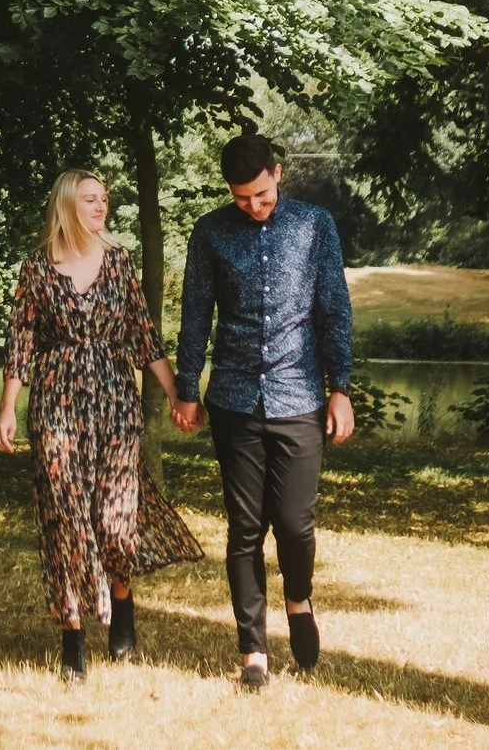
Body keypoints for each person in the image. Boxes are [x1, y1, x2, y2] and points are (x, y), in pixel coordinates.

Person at [0, 168, 202, 680]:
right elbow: (21, 343)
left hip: (115, 404)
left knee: (113, 520)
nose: (101, 206)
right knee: (65, 518)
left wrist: (178, 394)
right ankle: (73, 635)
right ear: (67, 204)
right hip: (56, 406)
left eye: (104, 199)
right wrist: (8, 409)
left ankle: (122, 599)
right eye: (90, 199)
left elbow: (144, 337)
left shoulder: (119, 261)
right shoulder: (37, 268)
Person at [172, 128, 353, 687]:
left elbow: (334, 308)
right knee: (245, 528)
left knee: (294, 525)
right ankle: (253, 650)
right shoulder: (211, 232)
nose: (253, 207)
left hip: (299, 395)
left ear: (278, 175)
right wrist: (187, 387)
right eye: (241, 198)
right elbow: (196, 312)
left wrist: (341, 387)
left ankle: (298, 599)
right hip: (234, 398)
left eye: (262, 195)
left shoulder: (315, 225)